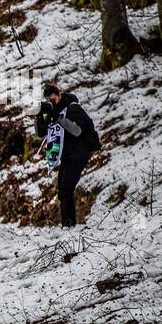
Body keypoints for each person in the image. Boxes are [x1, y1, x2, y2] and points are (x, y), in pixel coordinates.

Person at [35, 83, 101, 227]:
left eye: (53, 100)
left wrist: (58, 117)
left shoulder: (73, 107)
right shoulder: (55, 110)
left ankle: (69, 225)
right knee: (62, 190)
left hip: (79, 152)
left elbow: (77, 130)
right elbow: (41, 133)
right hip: (67, 155)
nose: (52, 103)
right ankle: (67, 224)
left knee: (66, 189)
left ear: (59, 94)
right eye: (49, 101)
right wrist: (39, 116)